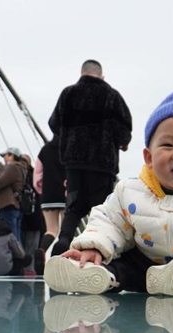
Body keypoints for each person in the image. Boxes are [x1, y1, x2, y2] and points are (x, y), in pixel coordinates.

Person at [44, 93, 173, 299]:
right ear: (149, 157)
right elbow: (109, 221)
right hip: (145, 265)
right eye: (168, 145)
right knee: (126, 265)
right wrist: (93, 245)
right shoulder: (131, 191)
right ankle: (96, 274)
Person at [48, 60, 133, 256]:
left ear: (82, 73)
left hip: (73, 163)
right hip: (102, 164)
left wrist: (70, 137)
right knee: (101, 211)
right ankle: (92, 251)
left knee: (74, 209)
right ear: (102, 76)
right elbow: (124, 130)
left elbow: (54, 124)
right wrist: (122, 142)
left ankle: (64, 241)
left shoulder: (67, 94)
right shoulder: (112, 95)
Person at [33, 135, 66, 255]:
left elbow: (37, 176)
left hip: (48, 195)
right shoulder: (69, 148)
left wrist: (42, 189)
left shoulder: (45, 149)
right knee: (66, 231)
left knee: (51, 230)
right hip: (66, 194)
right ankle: (60, 260)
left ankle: (42, 251)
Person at [20, 153, 46, 275]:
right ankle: (30, 270)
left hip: (25, 218)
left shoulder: (21, 176)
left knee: (24, 246)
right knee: (32, 247)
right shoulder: (36, 179)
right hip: (36, 219)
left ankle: (24, 269)